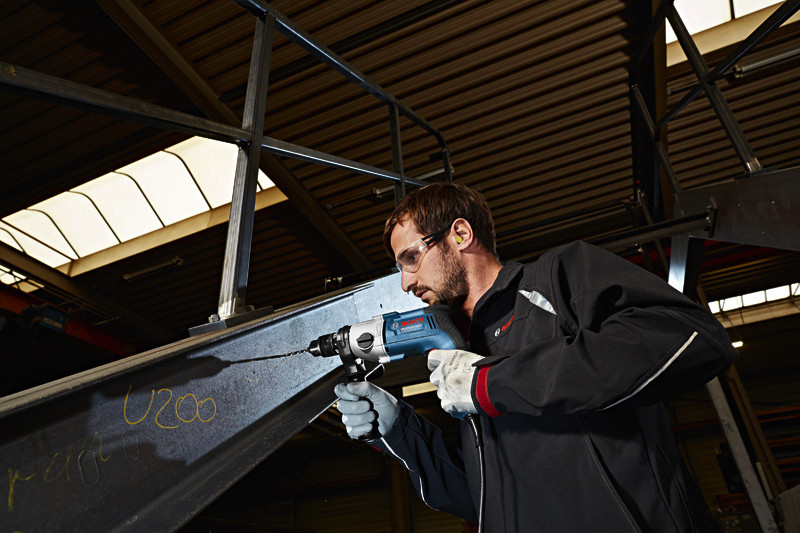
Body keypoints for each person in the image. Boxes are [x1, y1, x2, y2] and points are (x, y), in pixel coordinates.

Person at [334, 182, 737, 532]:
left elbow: (692, 337)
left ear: (459, 235)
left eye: (410, 258)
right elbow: (482, 498)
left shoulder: (558, 278)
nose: (405, 283)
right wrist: (398, 428)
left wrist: (493, 383)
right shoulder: (464, 356)